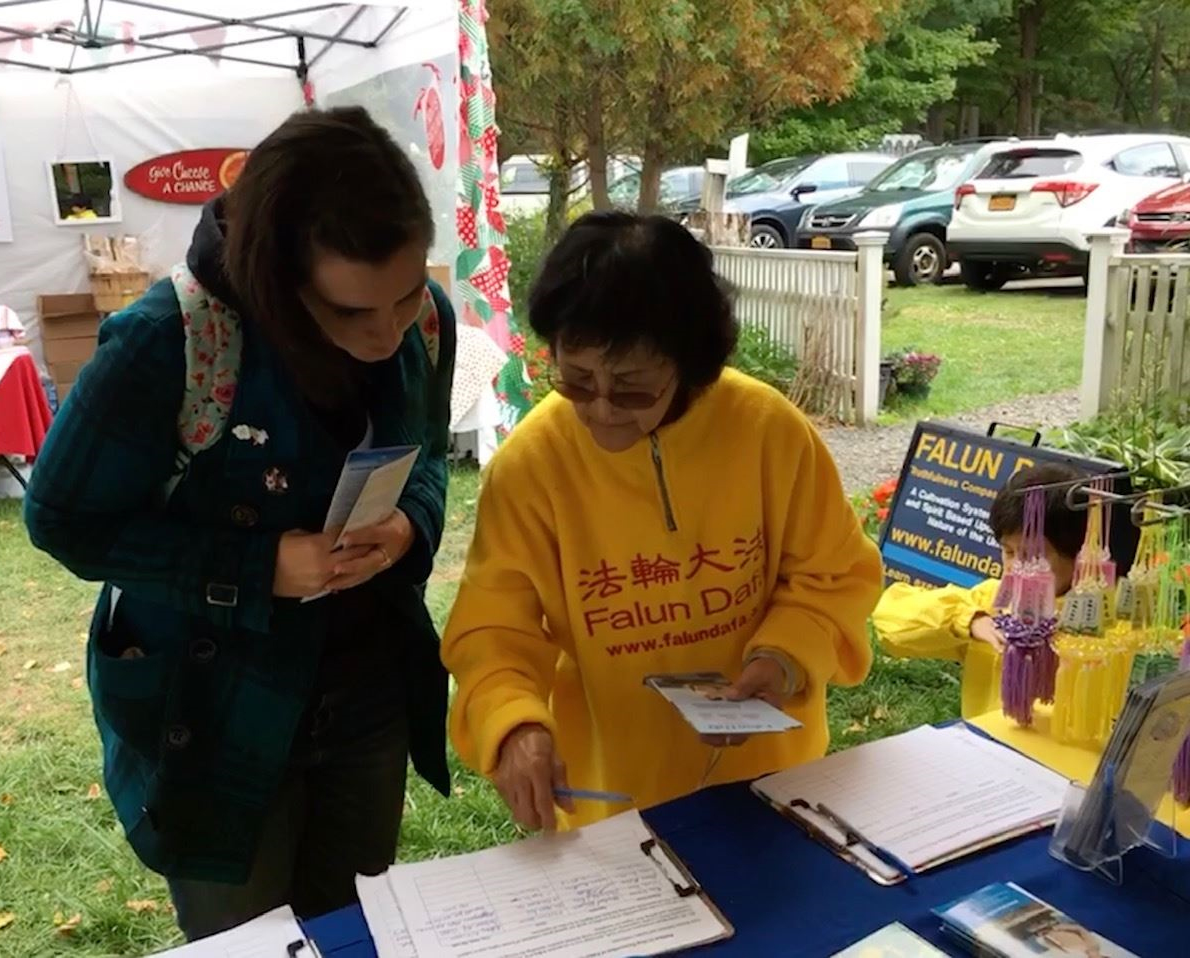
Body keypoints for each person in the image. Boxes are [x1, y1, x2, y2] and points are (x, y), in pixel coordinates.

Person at [24, 107, 456, 939]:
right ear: (276, 281)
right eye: (352, 312)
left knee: (356, 932)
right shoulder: (168, 342)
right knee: (249, 943)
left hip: (368, 693)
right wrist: (254, 567)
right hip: (217, 709)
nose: (388, 330)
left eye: (404, 295)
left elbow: (430, 456)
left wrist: (408, 525)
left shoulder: (425, 321)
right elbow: (62, 521)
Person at [442, 211, 882, 832]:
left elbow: (835, 576)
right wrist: (512, 723)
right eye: (575, 381)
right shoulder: (531, 466)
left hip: (777, 783)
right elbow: (493, 632)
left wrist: (784, 659)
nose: (599, 410)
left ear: (690, 364)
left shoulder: (767, 431)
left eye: (631, 389)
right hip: (613, 799)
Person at [872, 462, 1086, 718]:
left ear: (1079, 556)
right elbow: (890, 621)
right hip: (987, 746)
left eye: (1032, 557)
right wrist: (967, 620)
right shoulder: (992, 602)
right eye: (1008, 552)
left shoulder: (1098, 619)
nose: (1017, 568)